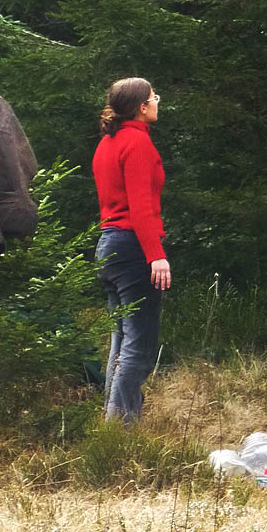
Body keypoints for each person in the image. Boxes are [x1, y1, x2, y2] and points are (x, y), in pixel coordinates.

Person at [92, 77, 170, 422]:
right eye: (154, 96)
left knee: (121, 340)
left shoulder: (106, 144)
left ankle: (114, 424)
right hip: (132, 247)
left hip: (108, 246)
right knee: (138, 344)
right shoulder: (137, 143)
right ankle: (122, 428)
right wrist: (156, 255)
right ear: (141, 106)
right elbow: (140, 208)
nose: (157, 101)